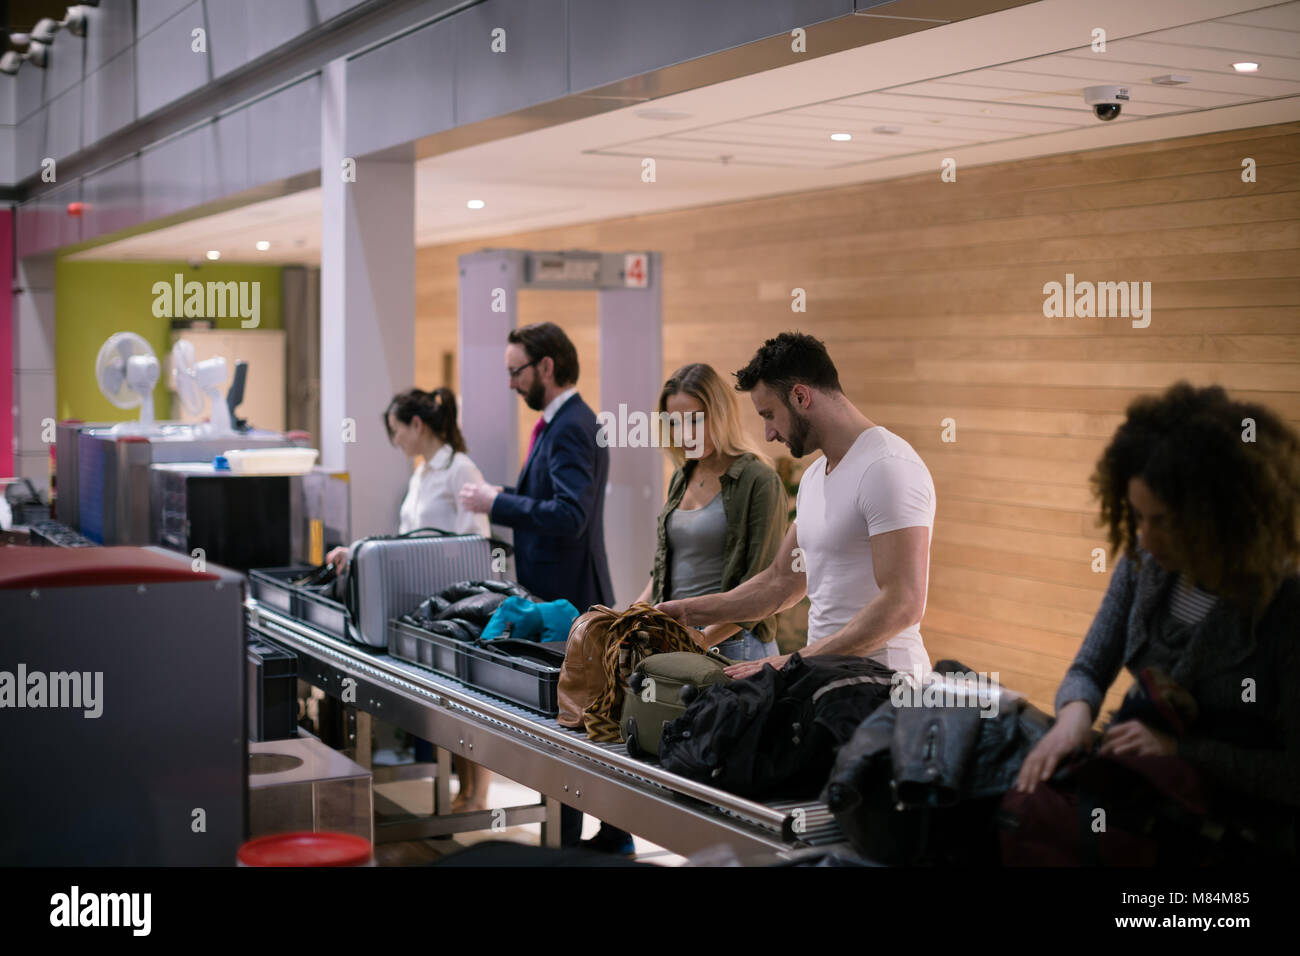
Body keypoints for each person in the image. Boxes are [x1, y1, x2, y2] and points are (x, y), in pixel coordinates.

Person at [1014, 383, 1300, 855]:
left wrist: (1178, 750)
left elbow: (1293, 774)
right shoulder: (1143, 565)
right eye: (1138, 517)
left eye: (1162, 520)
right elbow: (1089, 668)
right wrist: (1073, 716)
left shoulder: (1284, 606)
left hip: (1232, 829)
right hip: (1145, 802)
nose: (1144, 537)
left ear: (1221, 516)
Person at [657, 331, 936, 682]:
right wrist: (686, 610)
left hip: (887, 689)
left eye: (769, 414)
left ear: (801, 396)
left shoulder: (888, 467)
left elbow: (904, 603)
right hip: (828, 682)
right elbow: (781, 583)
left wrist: (790, 662)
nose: (769, 434)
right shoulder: (816, 476)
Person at [458, 322, 619, 850]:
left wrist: (496, 503)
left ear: (546, 367)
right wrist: (500, 495)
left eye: (516, 371)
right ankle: (575, 841)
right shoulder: (561, 423)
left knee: (569, 727)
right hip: (558, 596)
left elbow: (569, 515)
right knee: (567, 725)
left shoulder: (572, 425)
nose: (511, 383)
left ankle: (574, 845)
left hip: (567, 600)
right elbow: (552, 500)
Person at [326, 387, 494, 812]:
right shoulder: (421, 474)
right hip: (422, 610)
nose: (396, 441)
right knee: (447, 706)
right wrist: (360, 552)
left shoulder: (460, 469)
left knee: (465, 706)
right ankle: (464, 791)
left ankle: (478, 795)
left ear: (417, 425)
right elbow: (404, 541)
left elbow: (476, 542)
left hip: (456, 609)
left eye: (397, 431)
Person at [631, 363, 787, 661]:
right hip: (679, 641)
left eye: (694, 420)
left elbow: (762, 586)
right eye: (674, 423)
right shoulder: (682, 476)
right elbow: (664, 569)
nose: (684, 434)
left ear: (721, 414)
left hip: (734, 647)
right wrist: (631, 614)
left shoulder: (758, 480)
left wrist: (701, 638)